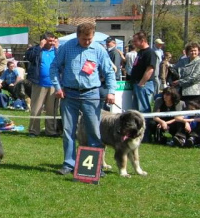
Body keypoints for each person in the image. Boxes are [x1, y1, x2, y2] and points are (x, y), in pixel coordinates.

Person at [50, 22, 116, 175]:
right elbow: (54, 68)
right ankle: (69, 164)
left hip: (91, 94)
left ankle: (96, 166)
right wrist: (58, 88)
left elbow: (109, 72)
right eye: (84, 39)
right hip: (69, 95)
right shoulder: (66, 48)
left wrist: (111, 92)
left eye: (89, 39)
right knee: (68, 130)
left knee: (93, 131)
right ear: (77, 35)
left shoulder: (99, 49)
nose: (87, 42)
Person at [25, 32, 59, 137]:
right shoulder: (36, 50)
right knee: (36, 108)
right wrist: (39, 47)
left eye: (53, 40)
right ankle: (33, 130)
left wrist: (57, 49)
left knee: (51, 109)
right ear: (43, 41)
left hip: (54, 85)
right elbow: (29, 57)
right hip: (39, 83)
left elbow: (63, 63)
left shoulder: (57, 51)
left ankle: (51, 131)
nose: (52, 43)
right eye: (49, 41)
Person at [130, 31, 155, 117]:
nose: (134, 43)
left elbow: (150, 69)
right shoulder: (140, 52)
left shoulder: (150, 52)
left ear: (142, 40)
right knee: (136, 111)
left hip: (144, 85)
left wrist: (142, 83)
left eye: (135, 41)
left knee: (144, 110)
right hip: (137, 84)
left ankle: (146, 129)